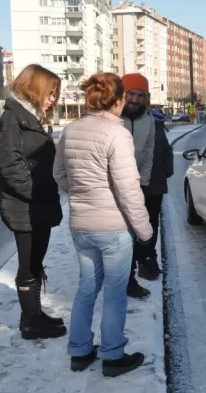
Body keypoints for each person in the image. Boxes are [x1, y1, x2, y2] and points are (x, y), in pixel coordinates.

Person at [53, 73, 153, 377]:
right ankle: (112, 355)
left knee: (86, 289)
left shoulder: (71, 130)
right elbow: (128, 189)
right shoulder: (117, 134)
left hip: (81, 227)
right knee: (114, 293)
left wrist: (84, 194)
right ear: (118, 100)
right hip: (112, 229)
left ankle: (80, 351)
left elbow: (59, 174)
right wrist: (145, 232)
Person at [0, 64, 66, 340]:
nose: (52, 99)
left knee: (36, 260)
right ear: (34, 88)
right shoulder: (13, 119)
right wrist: (35, 191)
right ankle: (31, 323)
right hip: (25, 205)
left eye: (55, 94)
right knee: (28, 262)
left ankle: (34, 315)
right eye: (50, 93)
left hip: (39, 204)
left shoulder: (32, 117)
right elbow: (10, 164)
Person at [119, 73, 156, 298]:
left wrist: (142, 184)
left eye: (140, 95)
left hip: (135, 187)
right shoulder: (112, 117)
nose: (134, 100)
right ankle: (114, 280)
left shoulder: (148, 119)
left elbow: (149, 152)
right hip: (111, 187)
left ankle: (129, 281)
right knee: (116, 238)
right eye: (130, 94)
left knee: (131, 237)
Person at [140, 109, 174, 279]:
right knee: (152, 222)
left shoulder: (135, 129)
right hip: (155, 186)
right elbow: (168, 162)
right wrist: (163, 174)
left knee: (135, 222)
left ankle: (139, 256)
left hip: (136, 186)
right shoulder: (160, 132)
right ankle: (148, 260)